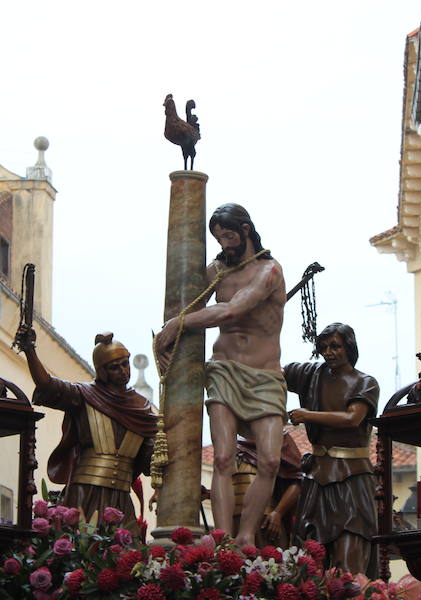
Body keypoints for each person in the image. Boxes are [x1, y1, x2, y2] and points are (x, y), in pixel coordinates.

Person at [156, 202, 286, 547]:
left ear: (246, 230)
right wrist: (172, 330)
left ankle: (247, 536)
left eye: (229, 236)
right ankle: (224, 538)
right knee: (223, 457)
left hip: (265, 374)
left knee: (270, 460)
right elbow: (187, 300)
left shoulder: (270, 270)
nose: (225, 244)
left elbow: (231, 310)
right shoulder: (215, 270)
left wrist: (177, 324)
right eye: (219, 239)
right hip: (224, 369)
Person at [15, 328, 158, 529]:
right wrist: (30, 351)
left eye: (125, 364)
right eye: (114, 367)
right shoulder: (83, 395)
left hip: (121, 496)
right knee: (82, 541)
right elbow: (48, 385)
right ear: (102, 371)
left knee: (127, 545)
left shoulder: (143, 409)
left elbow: (152, 458)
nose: (123, 371)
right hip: (85, 492)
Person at [286, 323, 380, 576]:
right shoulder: (312, 374)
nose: (328, 352)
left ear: (349, 347)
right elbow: (272, 371)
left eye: (335, 346)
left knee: (349, 553)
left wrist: (307, 415)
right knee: (309, 557)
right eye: (324, 347)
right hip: (317, 477)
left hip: (352, 478)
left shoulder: (365, 383)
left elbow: (353, 418)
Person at [232, 430, 302, 547]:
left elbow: (298, 480)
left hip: (265, 519)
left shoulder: (278, 436)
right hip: (233, 519)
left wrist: (278, 512)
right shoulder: (231, 442)